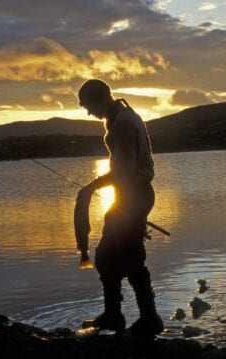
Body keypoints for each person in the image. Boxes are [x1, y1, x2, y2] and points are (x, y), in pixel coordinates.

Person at [77, 78, 163, 336]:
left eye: (87, 105)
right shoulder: (123, 115)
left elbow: (123, 173)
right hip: (131, 196)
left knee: (131, 257)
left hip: (133, 196)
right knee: (106, 256)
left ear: (101, 98)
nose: (88, 112)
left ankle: (150, 319)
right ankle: (114, 315)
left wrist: (91, 187)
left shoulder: (124, 122)